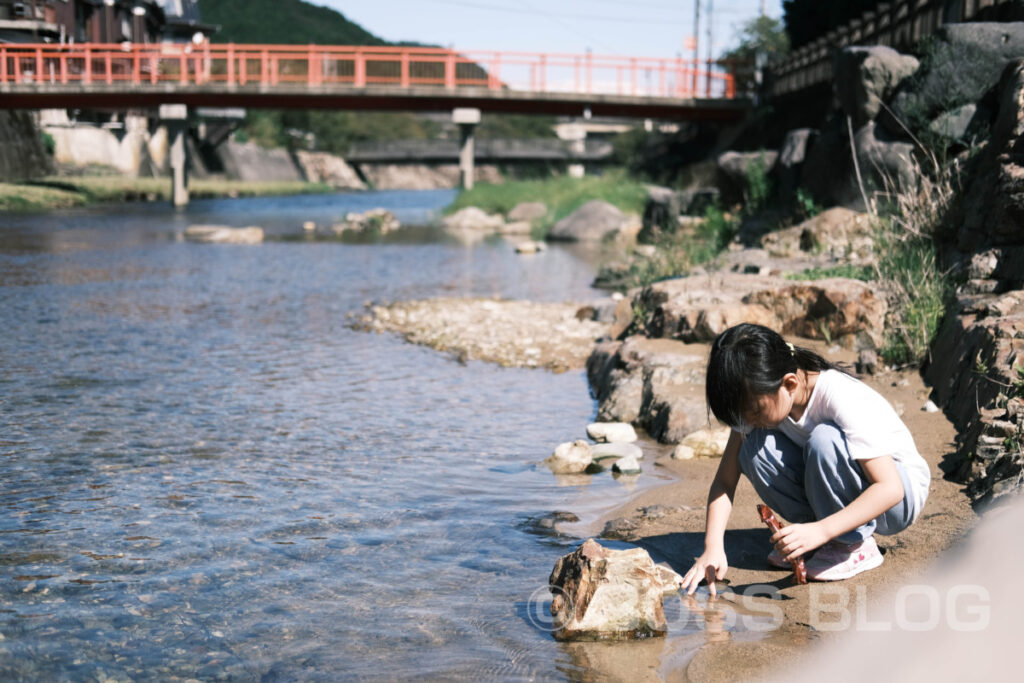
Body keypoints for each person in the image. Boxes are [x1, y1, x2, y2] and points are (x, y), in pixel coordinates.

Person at [681, 323, 930, 593]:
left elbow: (890, 488)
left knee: (824, 440)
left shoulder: (837, 395)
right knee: (753, 449)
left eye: (753, 412)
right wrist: (712, 548)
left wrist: (821, 530)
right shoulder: (766, 397)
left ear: (789, 384)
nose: (748, 421)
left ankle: (852, 545)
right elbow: (724, 482)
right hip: (852, 492)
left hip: (896, 500)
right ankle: (826, 537)